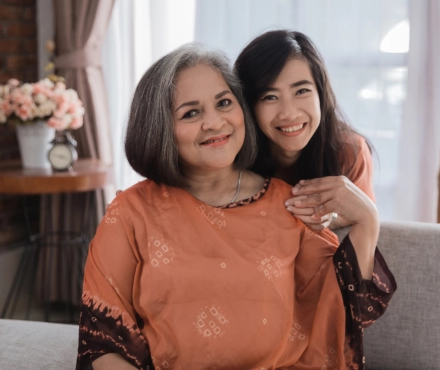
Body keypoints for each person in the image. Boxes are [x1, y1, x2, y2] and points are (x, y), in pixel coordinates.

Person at [76, 44, 396, 370]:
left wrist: (367, 220)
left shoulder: (291, 205)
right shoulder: (130, 212)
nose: (215, 122)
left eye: (224, 103)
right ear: (158, 129)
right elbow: (103, 342)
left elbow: (345, 310)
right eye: (191, 112)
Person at [234, 30, 376, 231]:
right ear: (248, 105)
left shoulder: (348, 151)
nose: (289, 114)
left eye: (301, 91)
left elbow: (364, 227)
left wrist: (332, 221)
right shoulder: (233, 154)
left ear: (320, 93)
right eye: (270, 97)